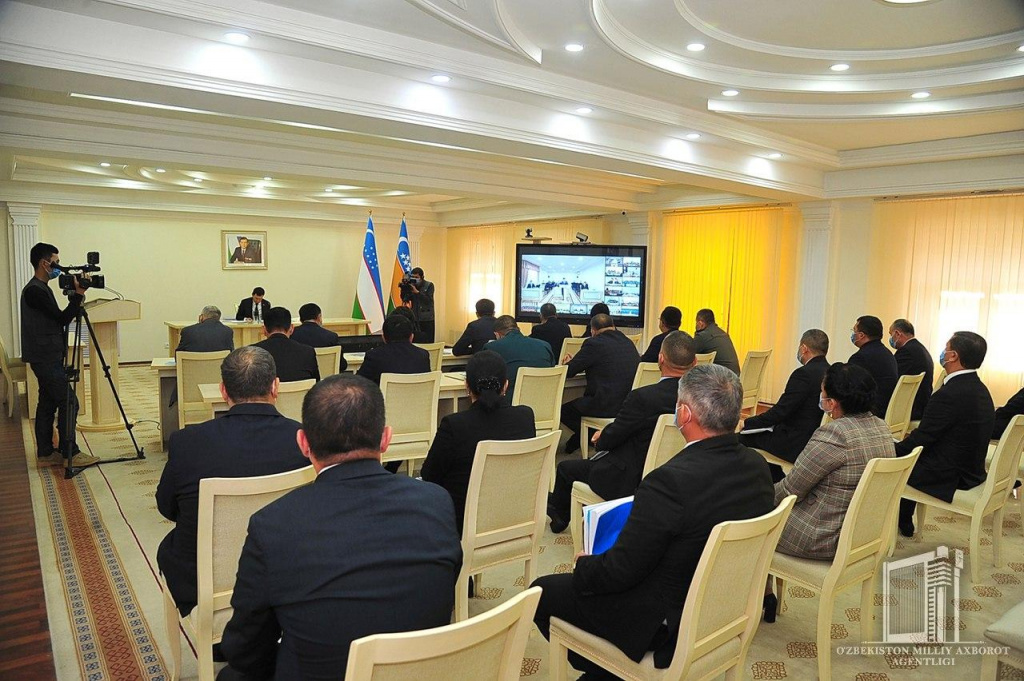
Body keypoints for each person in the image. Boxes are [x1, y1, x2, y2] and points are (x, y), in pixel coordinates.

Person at [531, 365, 774, 677]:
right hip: (721, 609)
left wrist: (584, 565)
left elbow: (620, 572)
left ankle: (612, 670)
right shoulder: (757, 467)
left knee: (541, 592)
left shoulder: (669, 482)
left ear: (684, 414)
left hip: (664, 622)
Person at [217, 375, 462, 680]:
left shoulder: (272, 525)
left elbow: (245, 649)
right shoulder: (436, 502)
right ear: (386, 438)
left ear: (303, 443)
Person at [156, 347, 308, 617]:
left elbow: (166, 507)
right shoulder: (305, 439)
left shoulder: (187, 442)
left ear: (223, 391)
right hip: (288, 575)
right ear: (276, 387)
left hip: (204, 585)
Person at [547, 330, 697, 533]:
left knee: (566, 468)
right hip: (678, 477)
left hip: (628, 478)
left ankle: (559, 517)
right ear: (695, 362)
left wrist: (601, 437)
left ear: (660, 359)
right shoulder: (701, 399)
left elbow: (613, 437)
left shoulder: (643, 397)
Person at [773, 363, 895, 561]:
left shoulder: (835, 434)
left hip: (818, 537)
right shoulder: (882, 428)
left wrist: (758, 499)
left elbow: (791, 489)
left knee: (745, 515)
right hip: (860, 535)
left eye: (822, 393)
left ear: (832, 402)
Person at [421, 350, 535, 533]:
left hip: (460, 523)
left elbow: (429, 475)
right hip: (514, 517)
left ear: (467, 386)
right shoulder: (526, 417)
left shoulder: (454, 425)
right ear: (505, 385)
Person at [896, 331, 995, 537]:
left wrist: (892, 449)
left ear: (953, 356)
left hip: (950, 475)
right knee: (910, 454)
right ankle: (903, 520)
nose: (943, 352)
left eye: (946, 349)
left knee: (891, 465)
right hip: (971, 470)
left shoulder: (949, 394)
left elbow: (923, 438)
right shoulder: (980, 389)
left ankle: (888, 526)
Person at [20, 242, 97, 467]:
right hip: (45, 356)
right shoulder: (35, 290)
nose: (58, 267)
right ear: (44, 263)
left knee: (47, 403)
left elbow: (56, 319)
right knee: (69, 401)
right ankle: (70, 453)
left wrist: (76, 296)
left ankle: (45, 453)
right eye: (56, 262)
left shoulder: (40, 288)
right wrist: (78, 295)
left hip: (45, 354)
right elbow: (62, 319)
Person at [740, 329, 831, 479]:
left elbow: (780, 412)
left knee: (740, 439)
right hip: (813, 440)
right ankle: (774, 478)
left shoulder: (803, 374)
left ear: (804, 348)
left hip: (793, 442)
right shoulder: (830, 372)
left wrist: (747, 423)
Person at [560, 313, 641, 454]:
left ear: (593, 331)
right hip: (628, 404)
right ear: (613, 326)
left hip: (605, 404)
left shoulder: (593, 343)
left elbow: (570, 371)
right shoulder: (628, 342)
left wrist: (569, 363)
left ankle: (595, 437)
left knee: (563, 411)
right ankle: (582, 438)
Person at [486, 315, 555, 401]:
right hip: (544, 402)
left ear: (497, 334)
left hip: (509, 404)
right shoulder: (545, 346)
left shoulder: (491, 348)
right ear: (518, 329)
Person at [356, 314, 430, 385]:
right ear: (411, 337)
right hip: (418, 394)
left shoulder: (374, 356)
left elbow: (358, 384)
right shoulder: (423, 356)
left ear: (383, 337)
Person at [847, 315, 898, 418]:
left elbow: (849, 389)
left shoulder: (860, 358)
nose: (853, 334)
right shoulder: (888, 354)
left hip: (870, 413)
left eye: (854, 331)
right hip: (887, 410)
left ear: (861, 335)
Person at [253, 306, 320, 383]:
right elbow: (316, 383)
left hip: (266, 391)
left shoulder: (252, 353)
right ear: (291, 328)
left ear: (264, 330)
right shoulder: (308, 352)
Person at [888, 318, 934, 421]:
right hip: (922, 405)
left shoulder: (906, 352)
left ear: (897, 333)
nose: (890, 338)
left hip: (911, 409)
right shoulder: (920, 348)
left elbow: (893, 379)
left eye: (891, 334)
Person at [291, 303, 347, 372]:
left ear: (300, 319)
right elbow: (342, 365)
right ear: (319, 317)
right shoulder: (331, 336)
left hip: (302, 376)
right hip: (326, 378)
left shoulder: (292, 335)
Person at [692, 308, 741, 374]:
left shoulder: (703, 336)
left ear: (700, 323)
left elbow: (687, 355)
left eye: (696, 322)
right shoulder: (722, 333)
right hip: (735, 376)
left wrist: (697, 332)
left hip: (722, 378)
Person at [402, 266, 435, 343]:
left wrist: (417, 292)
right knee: (416, 340)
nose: (415, 279)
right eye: (413, 277)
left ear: (422, 277)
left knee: (428, 341)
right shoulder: (411, 285)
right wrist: (404, 288)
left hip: (427, 319)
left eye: (416, 277)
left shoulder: (429, 285)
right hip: (415, 318)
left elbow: (428, 300)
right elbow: (405, 299)